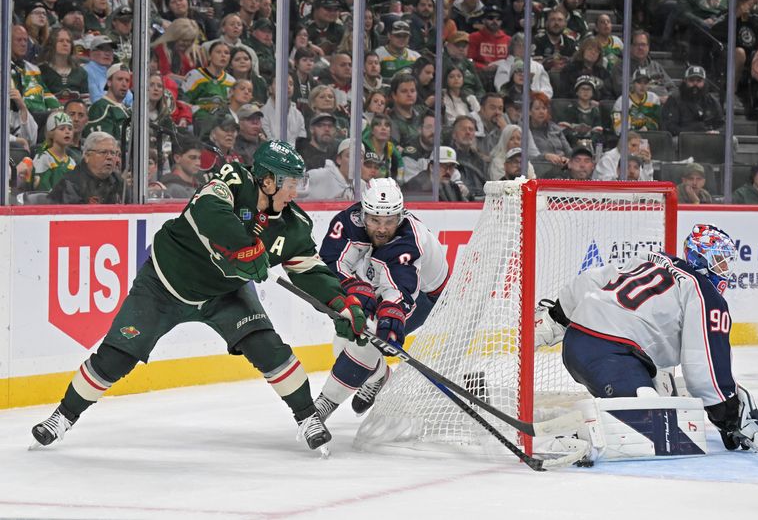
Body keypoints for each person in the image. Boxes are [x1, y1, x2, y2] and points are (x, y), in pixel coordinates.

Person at [32, 140, 367, 455]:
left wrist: (342, 304)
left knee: (268, 347)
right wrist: (243, 245)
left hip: (224, 293)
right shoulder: (233, 179)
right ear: (266, 180)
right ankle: (62, 417)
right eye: (290, 182)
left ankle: (307, 417)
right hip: (164, 285)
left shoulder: (294, 225)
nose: (296, 191)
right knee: (115, 358)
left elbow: (311, 272)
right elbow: (206, 209)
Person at [534, 224, 758, 455]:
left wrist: (557, 316)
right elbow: (704, 361)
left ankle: (603, 414)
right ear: (701, 258)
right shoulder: (704, 293)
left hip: (580, 345)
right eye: (720, 262)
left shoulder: (652, 261)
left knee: (660, 392)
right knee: (657, 428)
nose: (726, 271)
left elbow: (592, 279)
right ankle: (570, 437)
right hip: (610, 355)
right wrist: (727, 412)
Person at [314, 178, 449, 421]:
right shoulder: (348, 222)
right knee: (344, 340)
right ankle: (378, 377)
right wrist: (351, 285)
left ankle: (322, 406)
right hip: (377, 281)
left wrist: (392, 314)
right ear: (363, 212)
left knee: (371, 337)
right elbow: (329, 263)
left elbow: (399, 289)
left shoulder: (409, 240)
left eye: (389, 221)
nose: (382, 229)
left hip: (427, 296)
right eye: (374, 220)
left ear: (401, 216)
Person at [47, 131, 125, 204]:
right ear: (87, 156)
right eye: (103, 152)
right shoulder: (70, 184)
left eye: (113, 153)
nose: (110, 157)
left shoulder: (118, 181)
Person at [662, 66, 724, 136]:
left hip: (708, 137)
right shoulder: (674, 100)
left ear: (704, 82)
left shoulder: (712, 101)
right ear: (685, 81)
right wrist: (695, 130)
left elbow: (722, 124)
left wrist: (716, 131)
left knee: (732, 141)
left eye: (699, 81)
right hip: (682, 138)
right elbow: (669, 127)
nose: (695, 84)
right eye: (691, 80)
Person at [31, 111, 77, 191]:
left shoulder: (72, 162)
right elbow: (40, 187)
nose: (67, 132)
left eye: (70, 129)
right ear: (51, 133)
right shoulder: (43, 158)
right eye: (62, 129)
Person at [402, 145, 469, 201]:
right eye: (444, 166)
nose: (448, 171)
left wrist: (467, 194)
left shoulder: (452, 187)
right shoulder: (416, 186)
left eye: (451, 167)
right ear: (431, 167)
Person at [84, 63, 131, 142]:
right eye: (120, 79)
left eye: (127, 80)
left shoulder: (128, 109)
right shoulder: (100, 107)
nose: (124, 84)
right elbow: (103, 144)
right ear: (109, 82)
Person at [612, 68, 662, 135]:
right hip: (626, 138)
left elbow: (655, 121)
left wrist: (646, 129)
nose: (642, 86)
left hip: (649, 136)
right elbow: (617, 126)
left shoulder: (654, 98)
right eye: (639, 82)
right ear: (633, 84)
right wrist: (633, 134)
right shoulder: (621, 101)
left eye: (645, 83)